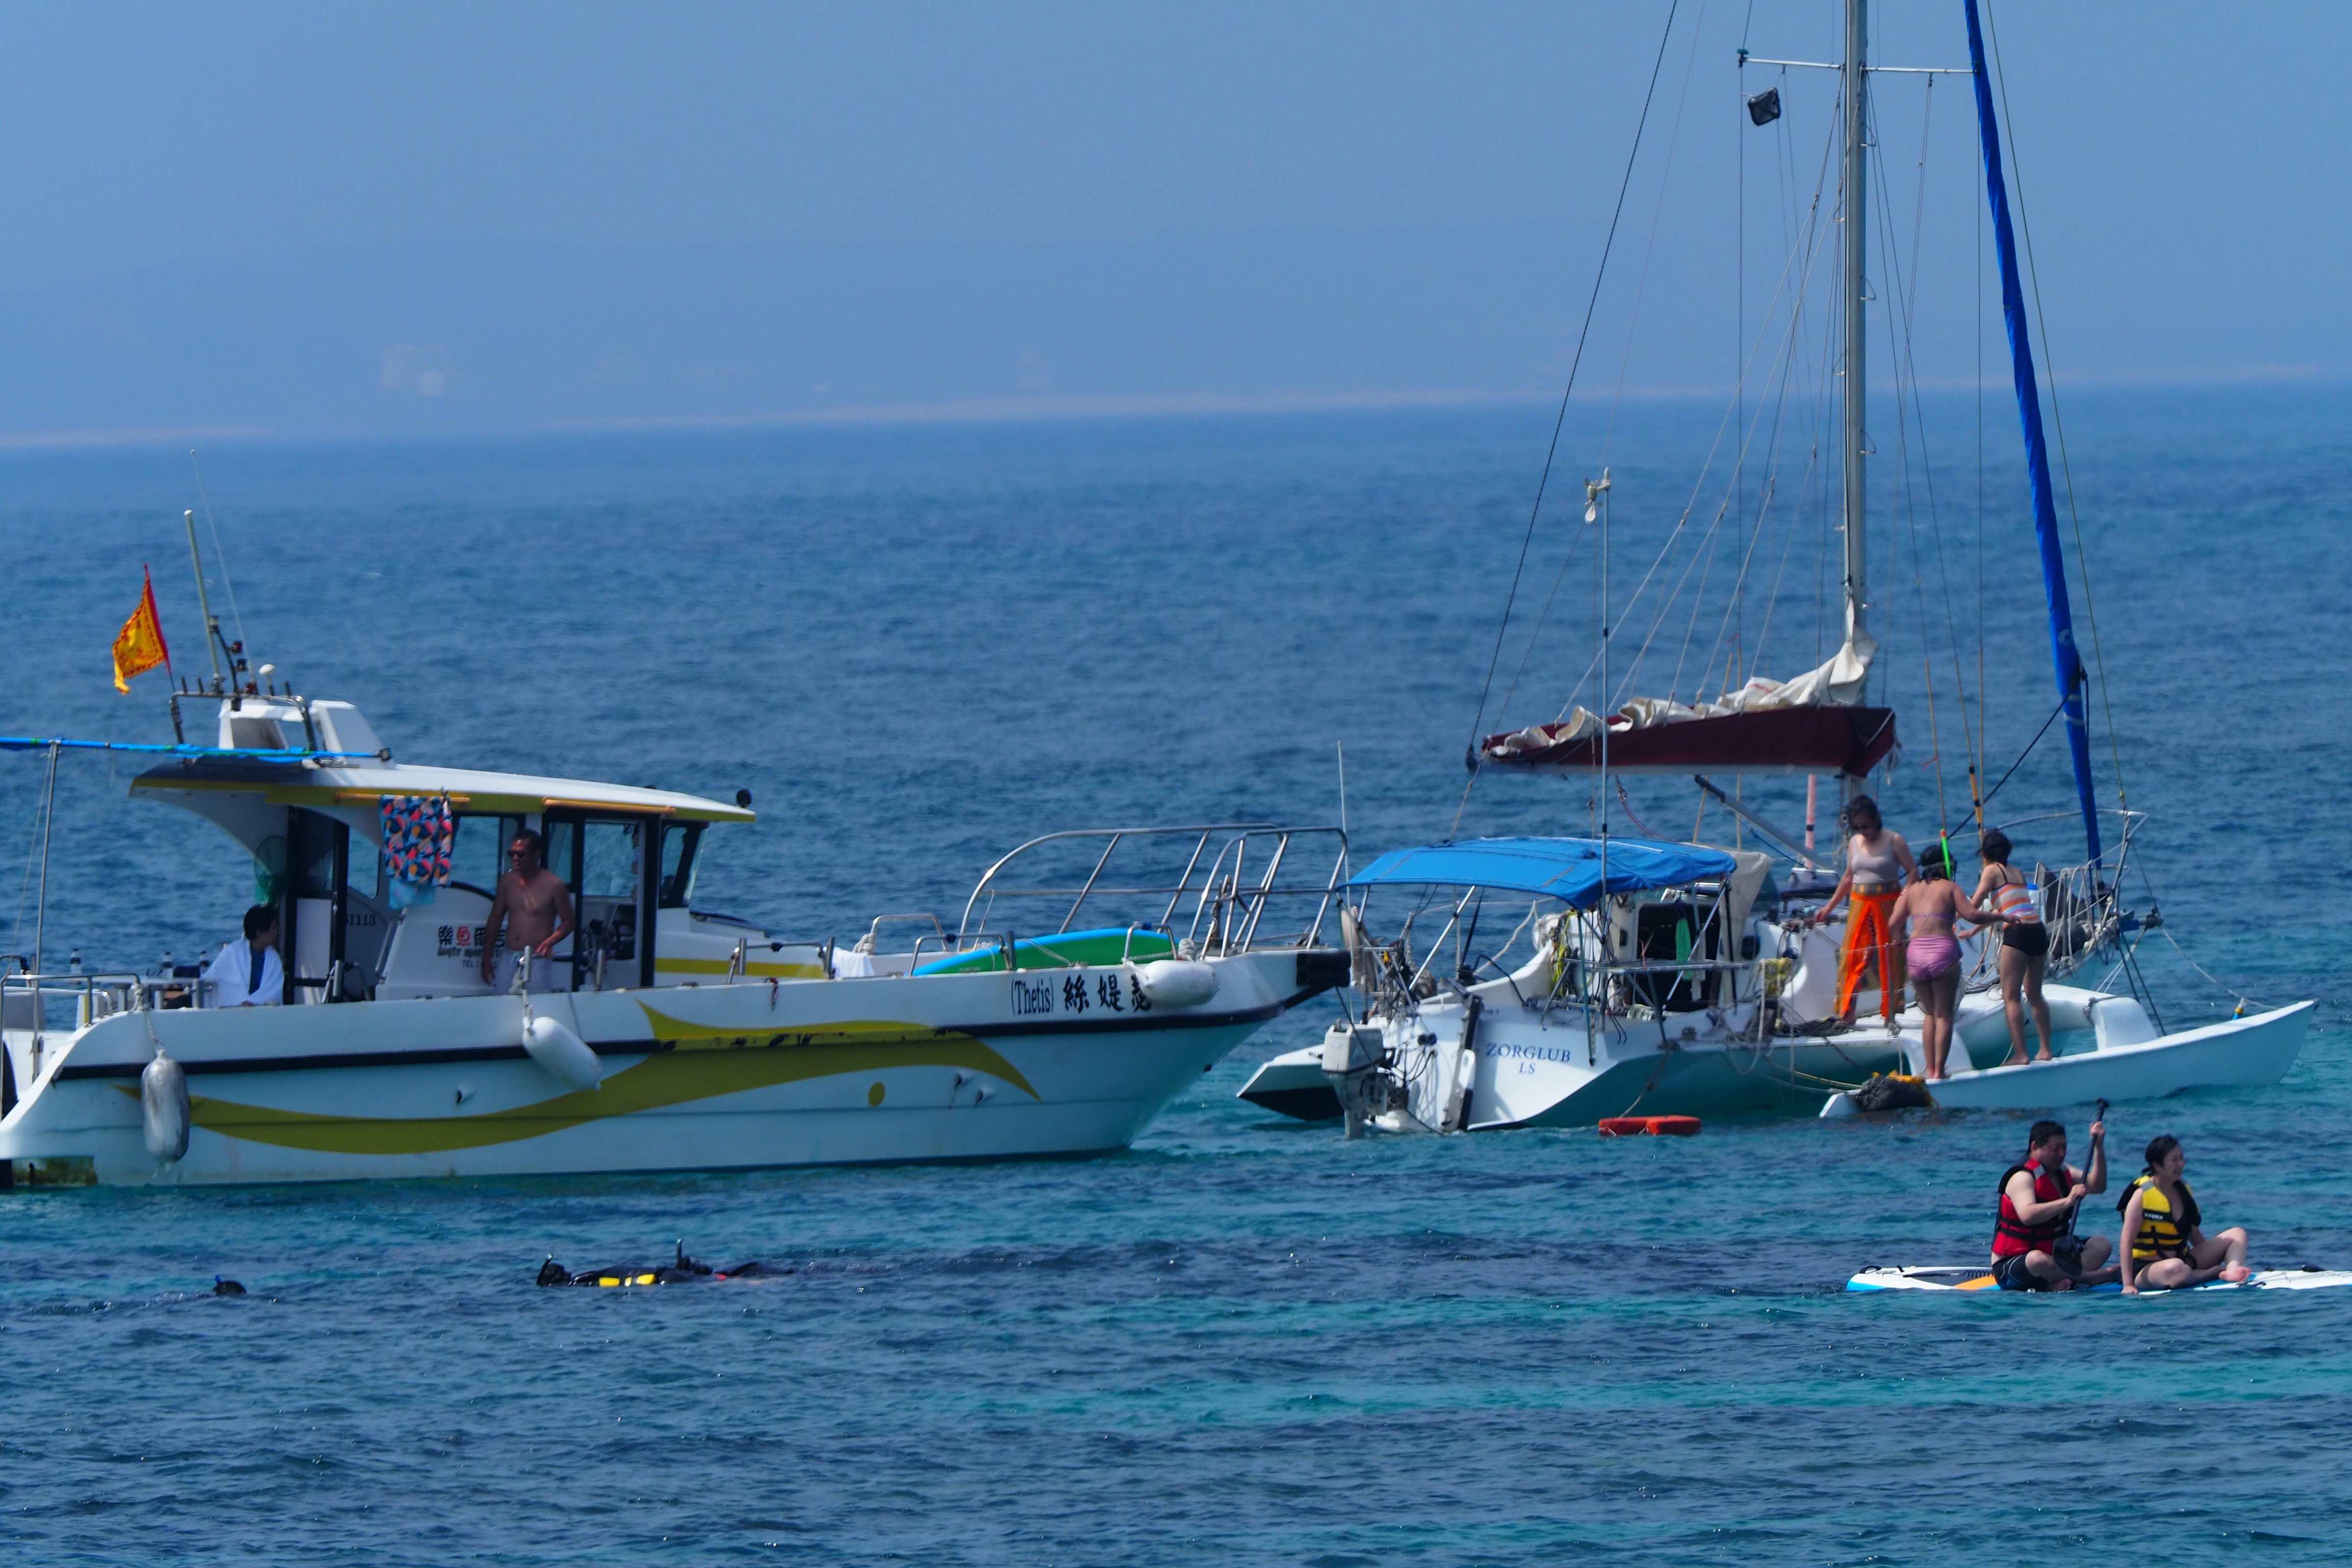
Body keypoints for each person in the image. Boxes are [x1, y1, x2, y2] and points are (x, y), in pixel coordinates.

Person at [1890, 841, 2006, 1079]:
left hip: (1916, 956)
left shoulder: (1911, 890)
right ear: (1944, 866)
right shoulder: (1950, 887)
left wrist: (1899, 940)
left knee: (1930, 1015)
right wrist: (2000, 916)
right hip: (1942, 953)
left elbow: (1893, 924)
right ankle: (1938, 1072)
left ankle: (1928, 1068)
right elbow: (1972, 915)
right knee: (1944, 1015)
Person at [1808, 795, 1918, 1030]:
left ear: (1876, 819)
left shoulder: (1895, 840)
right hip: (1859, 903)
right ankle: (1847, 1012)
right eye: (1858, 827)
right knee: (1851, 957)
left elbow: (1913, 872)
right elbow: (1848, 877)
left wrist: (1904, 898)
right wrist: (1828, 907)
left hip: (1889, 903)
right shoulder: (1855, 842)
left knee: (1891, 957)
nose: (1863, 831)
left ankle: (1890, 1015)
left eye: (1866, 825)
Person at [1991, 1116, 2114, 1291]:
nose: (2062, 1154)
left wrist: (2099, 1147)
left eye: (2064, 1148)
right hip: (2013, 1267)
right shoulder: (2022, 1177)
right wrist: (2068, 1201)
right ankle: (2092, 1277)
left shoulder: (2063, 1171)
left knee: (2102, 1245)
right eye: (2055, 1149)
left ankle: (2055, 1282)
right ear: (2035, 1147)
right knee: (2037, 1259)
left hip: (2055, 1256)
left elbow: (2098, 1186)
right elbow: (2028, 1215)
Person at [2118, 1134, 2251, 1293]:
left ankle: (2230, 1272)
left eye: (2181, 1158)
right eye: (2174, 1160)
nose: (2181, 1164)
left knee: (2237, 1234)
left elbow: (2196, 1237)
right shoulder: (2141, 1197)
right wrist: (2128, 1285)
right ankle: (2210, 1274)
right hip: (2148, 1270)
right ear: (2158, 1165)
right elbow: (2126, 1243)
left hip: (2184, 1261)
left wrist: (2213, 1253)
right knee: (2175, 1268)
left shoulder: (2183, 1192)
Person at [1969, 830, 2051, 1065]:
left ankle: (2021, 1054)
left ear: (1985, 854)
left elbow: (1974, 905)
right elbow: (2007, 908)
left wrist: (1954, 913)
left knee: (2011, 996)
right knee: (2035, 995)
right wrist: (1975, 931)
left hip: (2018, 933)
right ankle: (2046, 1050)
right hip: (2037, 929)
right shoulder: (2016, 872)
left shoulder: (1992, 871)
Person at [480, 829, 576, 994]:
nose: (515, 858)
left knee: (535, 1003)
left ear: (537, 854)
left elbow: (569, 921)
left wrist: (549, 943)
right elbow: (495, 918)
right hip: (508, 956)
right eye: (513, 854)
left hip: (536, 959)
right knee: (500, 1002)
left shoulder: (554, 885)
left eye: (521, 854)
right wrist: (486, 957)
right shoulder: (507, 882)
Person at [203, 905, 285, 1007]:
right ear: (259, 932)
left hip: (262, 1014)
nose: (277, 932)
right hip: (231, 1012)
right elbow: (214, 979)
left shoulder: (274, 959)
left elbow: (274, 990)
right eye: (274, 928)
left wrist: (254, 1002)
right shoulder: (232, 952)